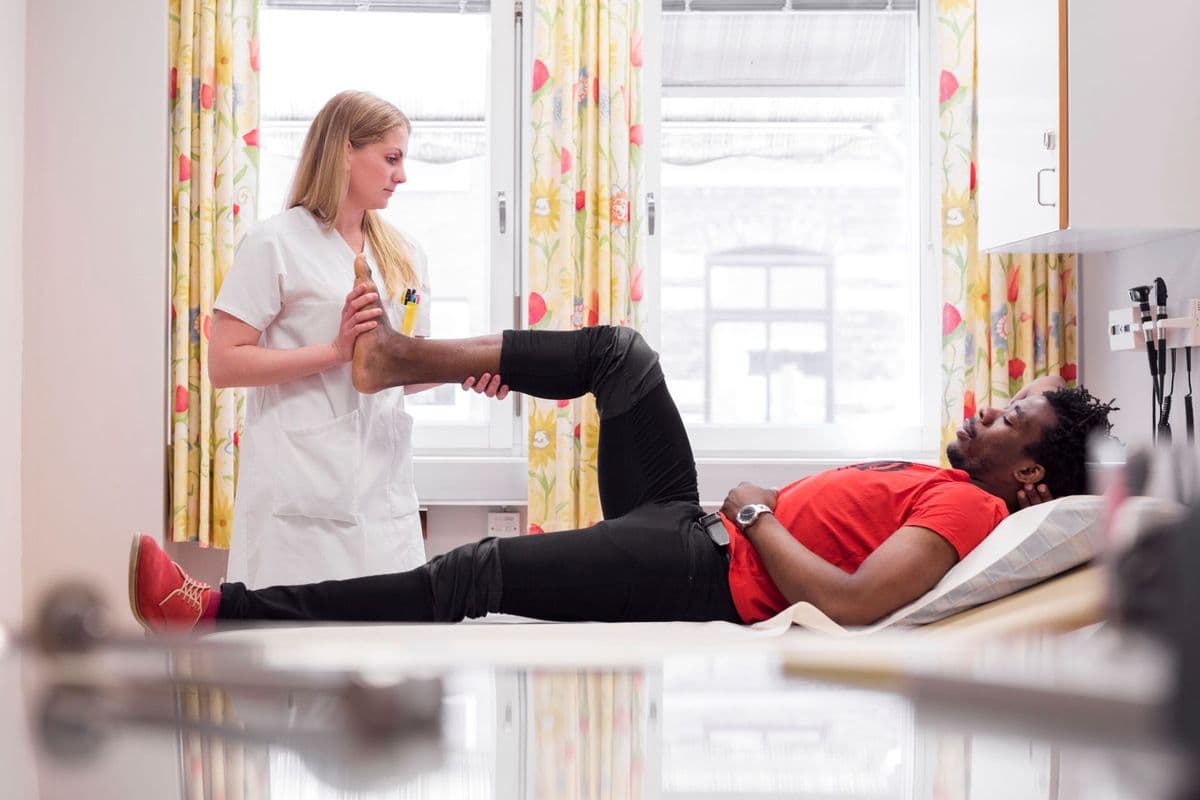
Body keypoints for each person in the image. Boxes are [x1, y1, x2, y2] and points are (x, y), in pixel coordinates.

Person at [136, 310, 1116, 631]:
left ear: (1031, 480)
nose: (987, 409)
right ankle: (408, 355)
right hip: (698, 525)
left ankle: (219, 607)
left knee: (473, 570)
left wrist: (758, 512)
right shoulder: (953, 483)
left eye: (1009, 416)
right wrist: (744, 512)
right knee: (623, 355)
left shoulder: (972, 509)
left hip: (707, 562)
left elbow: (856, 602)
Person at [208, 90, 502, 589]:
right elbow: (224, 364)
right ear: (345, 150)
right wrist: (334, 352)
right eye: (391, 158)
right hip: (298, 497)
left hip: (384, 498)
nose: (402, 175)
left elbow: (397, 373)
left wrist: (462, 370)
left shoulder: (405, 256)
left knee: (388, 650)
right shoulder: (274, 243)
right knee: (295, 651)